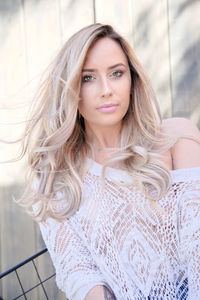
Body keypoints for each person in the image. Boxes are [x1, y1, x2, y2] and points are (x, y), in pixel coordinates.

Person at [19, 23, 200, 299]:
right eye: (88, 78)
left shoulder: (176, 138)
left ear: (132, 80)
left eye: (117, 73)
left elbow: (197, 243)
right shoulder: (55, 176)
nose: (106, 90)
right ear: (71, 88)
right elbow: (79, 273)